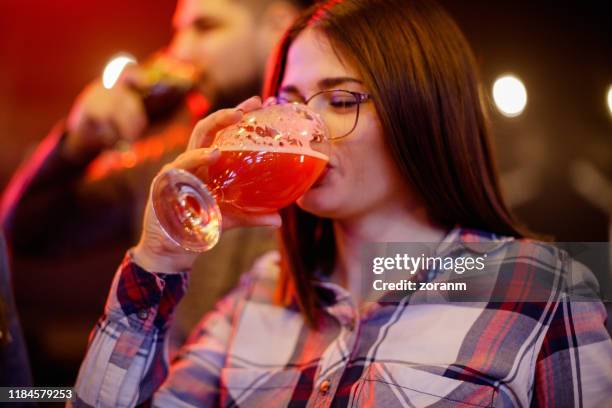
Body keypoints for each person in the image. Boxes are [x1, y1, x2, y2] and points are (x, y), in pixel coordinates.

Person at [72, 0, 612, 406]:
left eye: (342, 100)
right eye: (288, 102)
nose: (301, 127)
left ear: (423, 112)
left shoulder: (542, 290)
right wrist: (163, 256)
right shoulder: (262, 293)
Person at [0, 0, 315, 376]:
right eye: (178, 31)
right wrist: (75, 143)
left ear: (279, 25)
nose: (180, 50)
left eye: (205, 28)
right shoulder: (164, 158)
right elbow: (28, 233)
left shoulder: (321, 155)